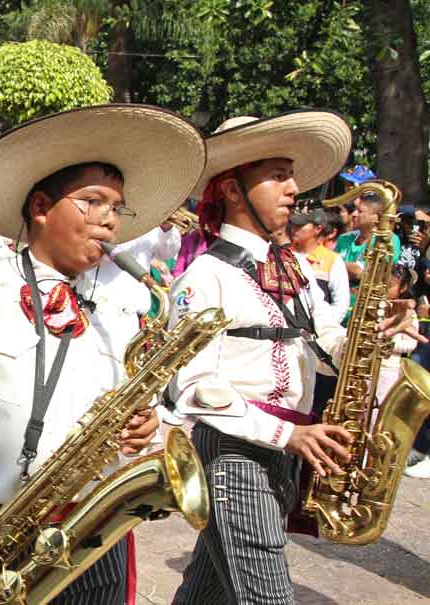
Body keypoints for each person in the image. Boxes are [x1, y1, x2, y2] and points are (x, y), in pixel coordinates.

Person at [0, 104, 207, 604]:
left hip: (91, 534)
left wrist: (142, 430)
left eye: (117, 208)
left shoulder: (120, 307)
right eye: (92, 202)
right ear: (40, 206)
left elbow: (121, 413)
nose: (109, 221)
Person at [168, 112, 421, 605]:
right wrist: (289, 434)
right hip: (235, 455)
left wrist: (366, 340)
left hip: (282, 453)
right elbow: (192, 387)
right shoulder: (204, 277)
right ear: (234, 189)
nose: (293, 188)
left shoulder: (293, 266)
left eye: (291, 175)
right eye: (278, 175)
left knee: (208, 592)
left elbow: (321, 340)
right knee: (268, 596)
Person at [290, 209, 349, 323]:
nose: (294, 229)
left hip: (317, 331)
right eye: (293, 225)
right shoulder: (283, 254)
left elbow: (341, 304)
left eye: (300, 226)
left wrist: (324, 329)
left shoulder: (332, 260)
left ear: (318, 229)